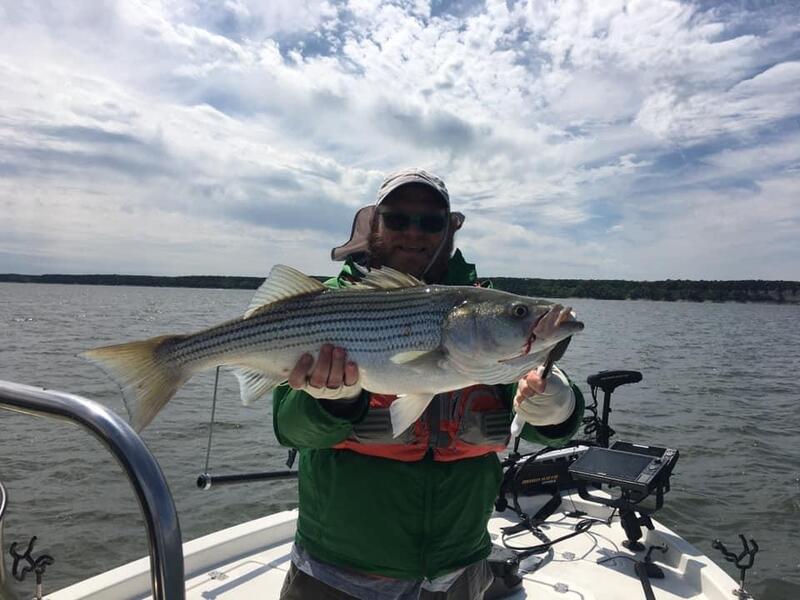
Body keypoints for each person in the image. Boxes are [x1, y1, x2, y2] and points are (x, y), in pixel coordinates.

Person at [273, 168, 584, 600]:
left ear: (450, 227)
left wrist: (558, 407)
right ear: (375, 225)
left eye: (431, 222)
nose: (413, 234)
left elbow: (535, 419)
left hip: (459, 569)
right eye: (398, 219)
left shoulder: (484, 307)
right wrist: (334, 404)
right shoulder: (321, 303)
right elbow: (289, 428)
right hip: (337, 572)